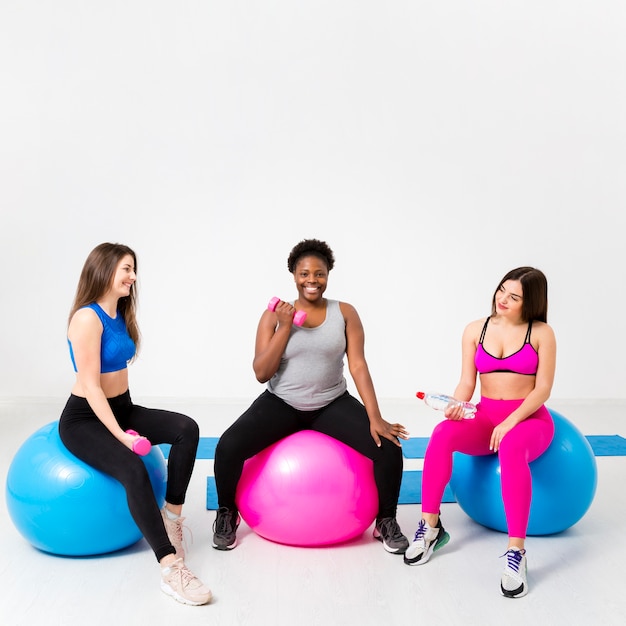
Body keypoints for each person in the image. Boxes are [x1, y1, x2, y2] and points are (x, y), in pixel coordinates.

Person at [212, 238, 410, 554]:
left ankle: (385, 520)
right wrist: (285, 326)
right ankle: (227, 513)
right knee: (227, 447)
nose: (312, 281)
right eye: (304, 274)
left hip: (331, 402)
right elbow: (262, 372)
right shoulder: (273, 316)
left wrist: (375, 417)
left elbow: (358, 365)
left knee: (387, 447)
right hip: (282, 403)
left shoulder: (345, 312)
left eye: (319, 274)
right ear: (293, 275)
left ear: (328, 274)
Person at [58, 243, 212, 606]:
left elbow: (116, 385)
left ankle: (171, 516)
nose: (133, 276)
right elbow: (92, 387)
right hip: (84, 419)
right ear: (104, 270)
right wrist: (122, 439)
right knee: (133, 469)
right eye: (126, 269)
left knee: (186, 429)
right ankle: (170, 568)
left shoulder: (120, 313)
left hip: (121, 408)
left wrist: (126, 423)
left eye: (133, 269)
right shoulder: (86, 318)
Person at [404, 267, 556, 598]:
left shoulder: (542, 333)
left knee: (513, 445)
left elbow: (542, 390)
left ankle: (516, 552)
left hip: (529, 420)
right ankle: (430, 527)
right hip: (487, 416)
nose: (503, 299)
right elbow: (466, 382)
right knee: (443, 433)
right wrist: (456, 405)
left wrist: (511, 420)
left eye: (514, 297)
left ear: (530, 302)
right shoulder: (476, 329)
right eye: (502, 290)